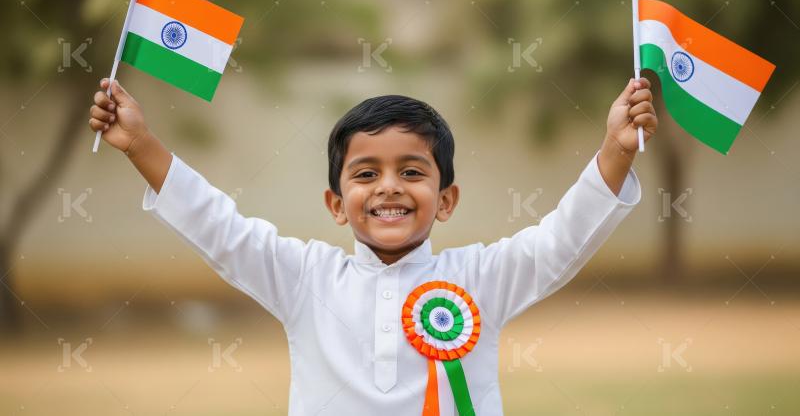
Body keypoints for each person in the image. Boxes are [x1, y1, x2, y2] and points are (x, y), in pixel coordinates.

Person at [88, 76, 656, 415]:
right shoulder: (304, 276)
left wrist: (616, 149)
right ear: (336, 204)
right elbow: (222, 229)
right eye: (365, 174)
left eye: (412, 172)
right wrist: (141, 144)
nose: (388, 187)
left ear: (447, 199)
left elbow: (560, 241)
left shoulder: (482, 277)